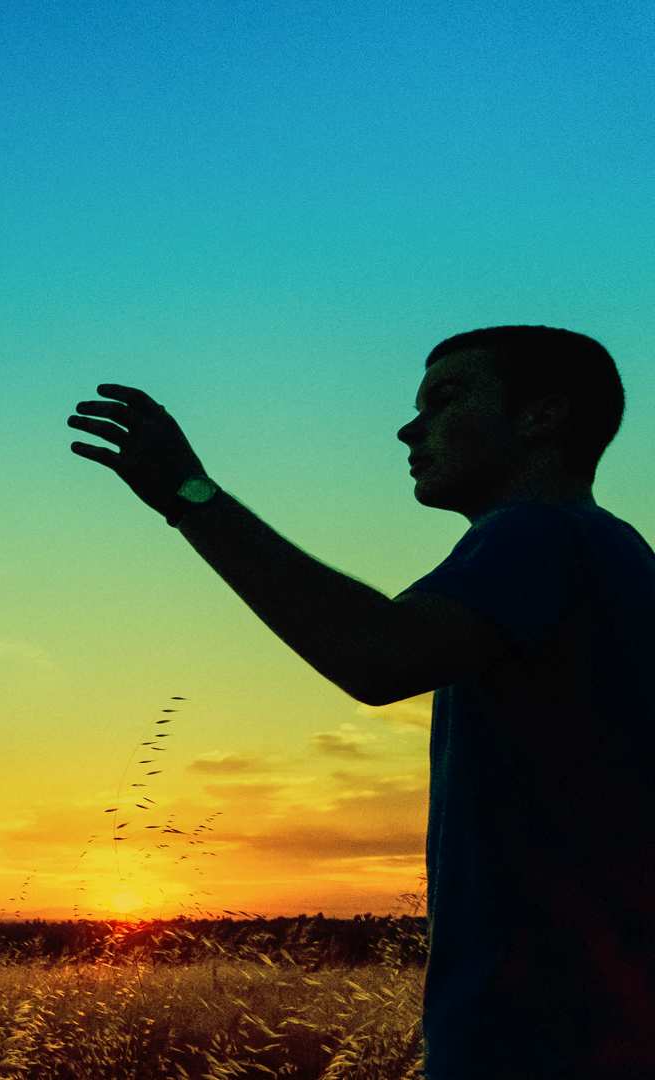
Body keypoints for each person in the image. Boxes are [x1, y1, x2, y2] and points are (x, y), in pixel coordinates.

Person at [68, 326, 654, 1077]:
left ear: (542, 416)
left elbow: (377, 654)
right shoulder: (607, 550)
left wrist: (190, 495)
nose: (411, 428)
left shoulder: (539, 536)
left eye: (445, 400)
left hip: (548, 1033)